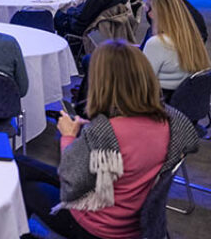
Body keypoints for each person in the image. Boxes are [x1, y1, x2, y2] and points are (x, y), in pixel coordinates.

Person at [17, 40, 199, 239]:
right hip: (133, 217)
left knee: (22, 185)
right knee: (22, 164)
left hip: (96, 226)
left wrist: (68, 137)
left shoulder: (107, 132)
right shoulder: (172, 119)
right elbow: (186, 143)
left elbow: (71, 185)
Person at [142, 0, 211, 100]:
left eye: (147, 7)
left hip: (160, 106)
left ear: (153, 13)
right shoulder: (192, 38)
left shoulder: (156, 43)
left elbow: (142, 83)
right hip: (185, 105)